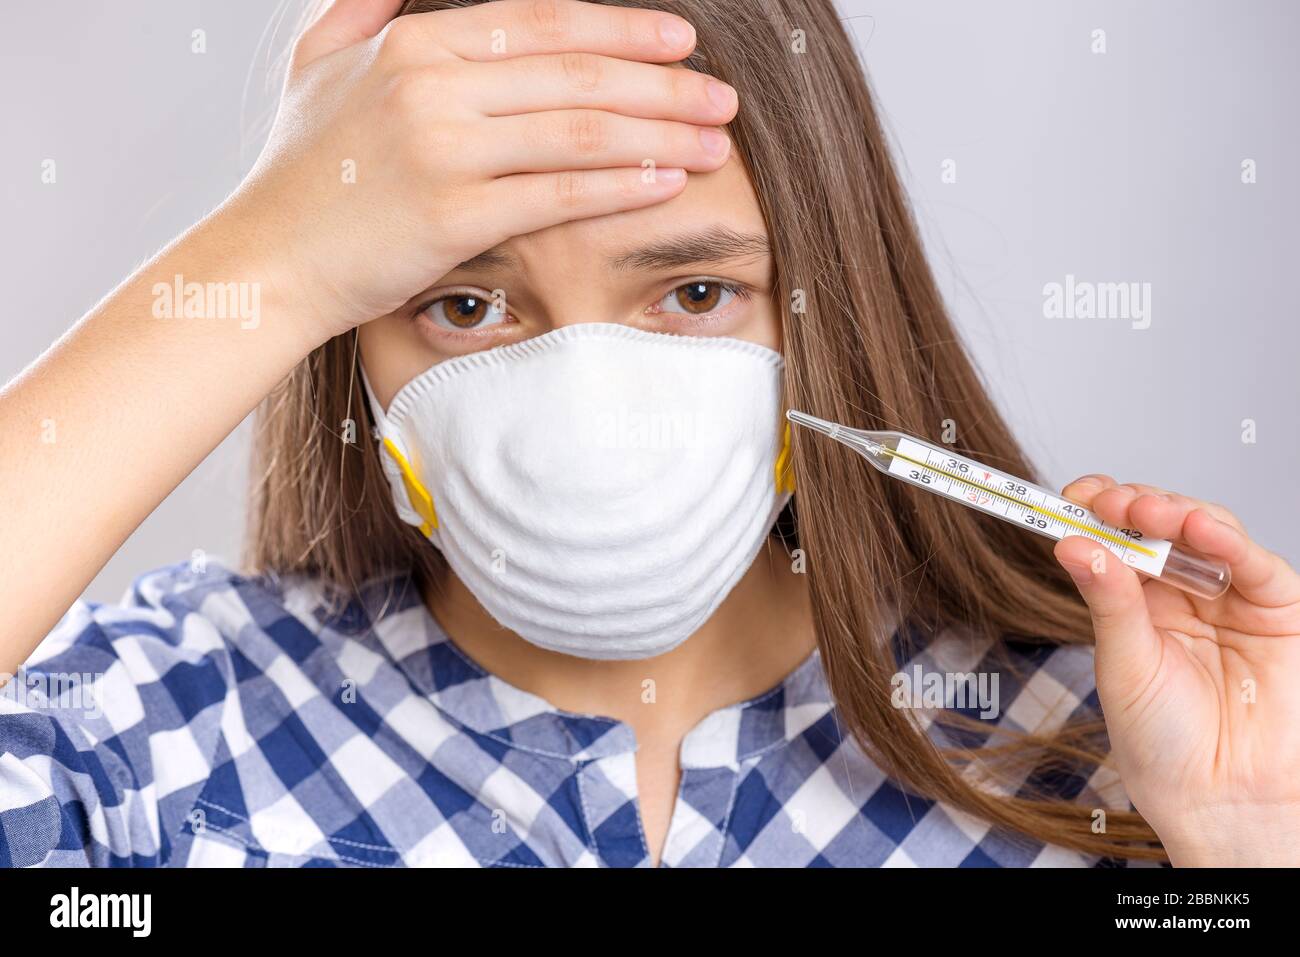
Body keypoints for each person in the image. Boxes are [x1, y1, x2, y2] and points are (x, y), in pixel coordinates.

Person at [1, 0, 1296, 868]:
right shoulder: (158, 739)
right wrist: (274, 252)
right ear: (351, 342)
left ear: (819, 314)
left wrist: (1245, 848)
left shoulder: (1089, 753)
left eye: (691, 294)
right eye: (464, 304)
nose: (588, 407)